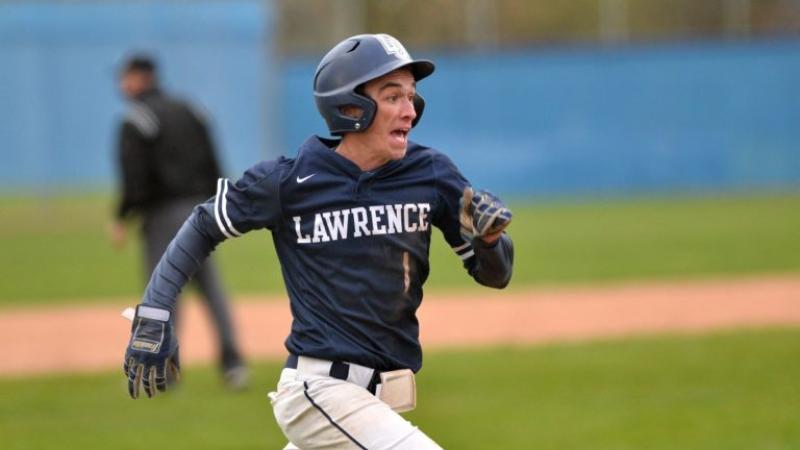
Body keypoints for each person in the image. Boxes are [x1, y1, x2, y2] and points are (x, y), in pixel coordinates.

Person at [122, 34, 513, 449]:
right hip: (319, 392)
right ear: (350, 106)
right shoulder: (291, 180)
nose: (409, 111)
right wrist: (156, 309)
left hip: (373, 404)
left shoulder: (431, 173)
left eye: (412, 97)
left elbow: (496, 275)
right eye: (393, 96)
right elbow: (203, 224)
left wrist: (488, 241)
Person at [112, 54, 248, 389]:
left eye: (125, 77)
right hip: (202, 211)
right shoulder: (191, 109)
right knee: (212, 290)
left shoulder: (137, 119)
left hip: (162, 215)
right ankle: (233, 364)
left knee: (164, 292)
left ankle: (164, 370)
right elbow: (214, 161)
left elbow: (136, 179)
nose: (121, 84)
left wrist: (122, 216)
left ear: (140, 78)